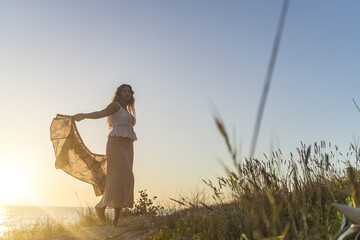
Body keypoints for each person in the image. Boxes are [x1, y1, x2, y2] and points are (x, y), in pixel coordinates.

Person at [72, 84, 137, 227]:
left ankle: (115, 221)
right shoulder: (115, 106)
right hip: (116, 145)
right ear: (119, 94)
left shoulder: (129, 111)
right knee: (117, 179)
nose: (127, 93)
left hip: (128, 146)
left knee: (127, 179)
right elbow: (100, 113)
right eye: (123, 91)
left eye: (129, 91)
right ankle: (101, 207)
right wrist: (83, 116)